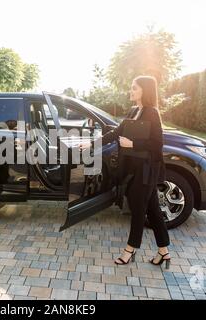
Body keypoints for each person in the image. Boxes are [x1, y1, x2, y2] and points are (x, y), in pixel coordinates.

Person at [81, 75, 171, 268]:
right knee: (153, 210)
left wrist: (133, 143)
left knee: (138, 210)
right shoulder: (133, 111)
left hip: (147, 171)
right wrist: (91, 143)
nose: (130, 91)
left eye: (134, 88)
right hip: (134, 169)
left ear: (145, 90)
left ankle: (129, 250)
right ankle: (164, 252)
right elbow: (116, 133)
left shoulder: (152, 113)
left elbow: (158, 144)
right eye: (131, 87)